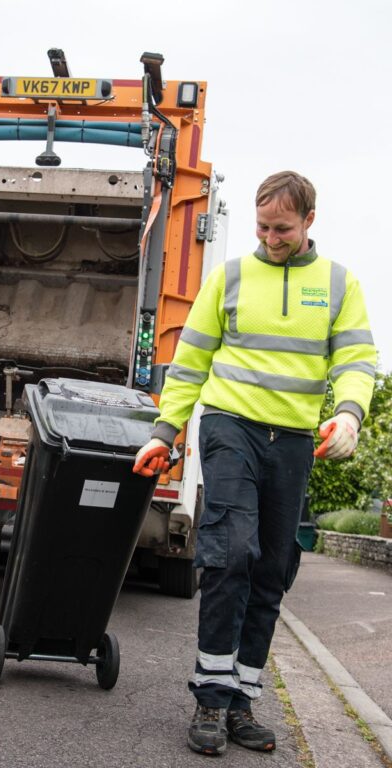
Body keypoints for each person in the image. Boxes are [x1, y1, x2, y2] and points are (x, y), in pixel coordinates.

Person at [133, 171, 376, 756]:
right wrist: (165, 430)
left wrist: (348, 414)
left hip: (293, 438)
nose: (270, 237)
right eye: (262, 226)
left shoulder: (340, 285)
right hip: (230, 426)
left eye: (283, 228)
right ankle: (211, 700)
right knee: (231, 550)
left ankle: (242, 700)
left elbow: (357, 360)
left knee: (271, 567)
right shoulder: (231, 277)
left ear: (309, 221)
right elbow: (189, 362)